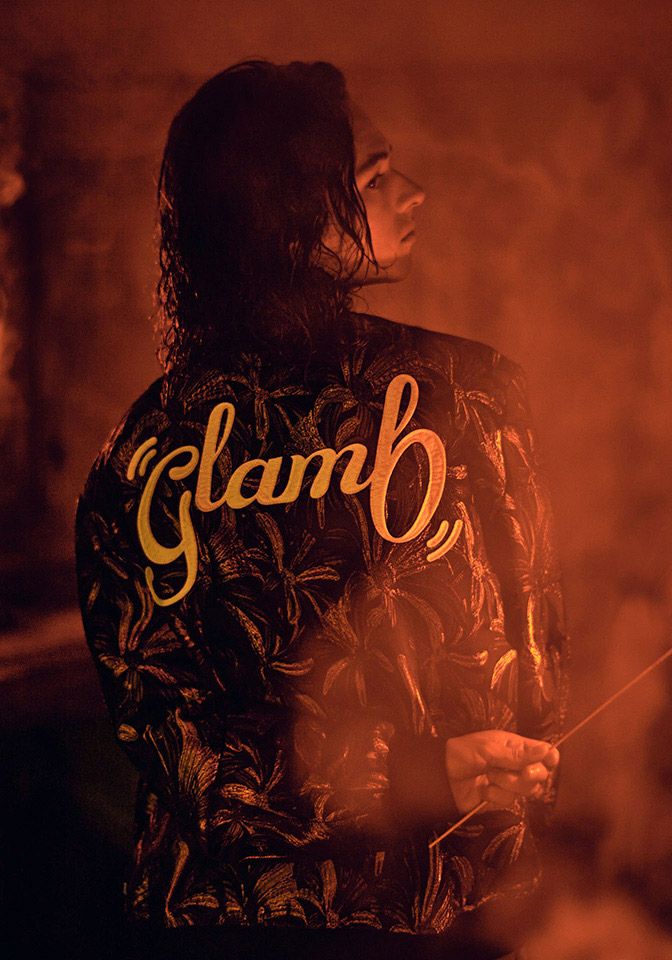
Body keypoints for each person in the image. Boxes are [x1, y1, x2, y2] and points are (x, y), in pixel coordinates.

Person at [74, 59, 568, 959]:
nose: (412, 191)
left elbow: (534, 652)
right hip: (403, 915)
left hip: (235, 918)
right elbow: (179, 737)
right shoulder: (471, 393)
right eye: (373, 178)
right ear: (287, 209)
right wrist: (432, 774)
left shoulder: (141, 449)